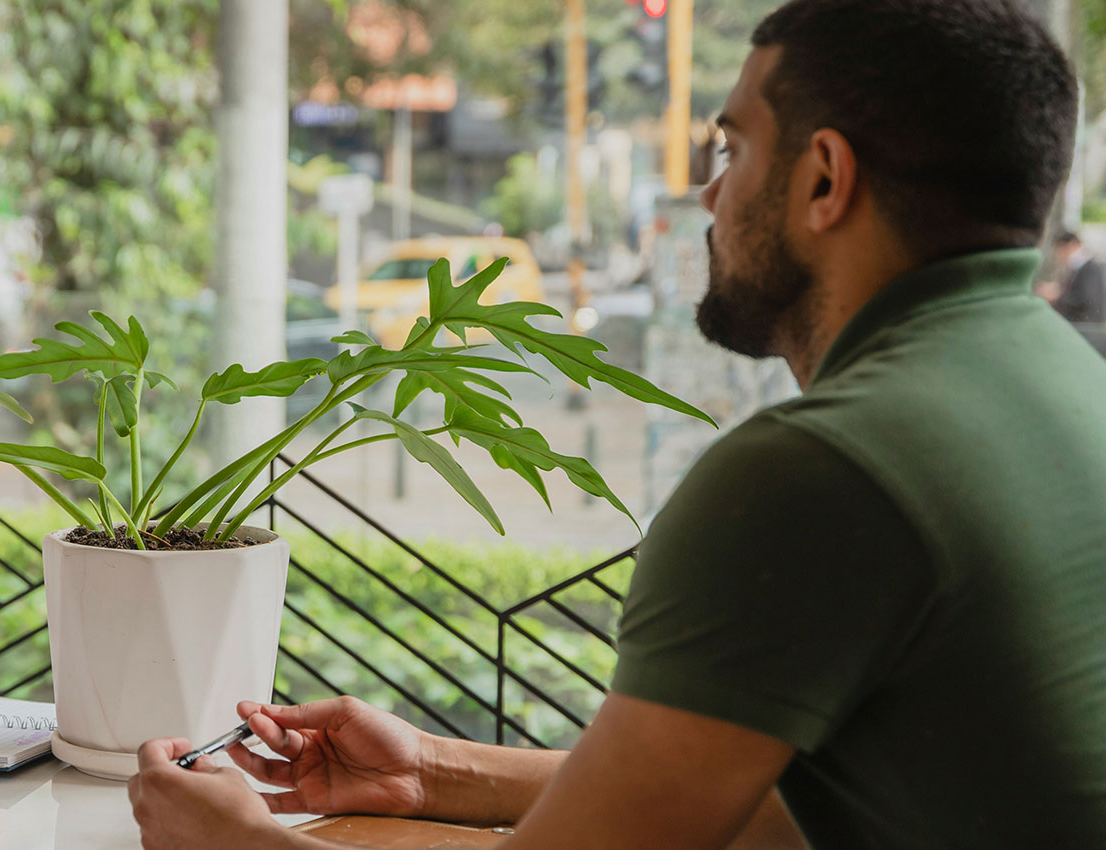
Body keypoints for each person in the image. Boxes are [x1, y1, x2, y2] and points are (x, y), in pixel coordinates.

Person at [129, 1, 1106, 848]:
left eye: (730, 149)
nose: (708, 194)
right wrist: (433, 771)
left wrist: (239, 845)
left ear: (823, 179)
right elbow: (768, 808)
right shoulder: (1063, 379)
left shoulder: (825, 467)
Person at [1046, 230, 1104, 324]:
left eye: (1061, 249)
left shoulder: (1091, 268)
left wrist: (1057, 296)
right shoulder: (1077, 269)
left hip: (1087, 328)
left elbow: (1086, 299)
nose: (1060, 255)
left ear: (1072, 244)